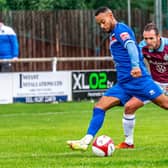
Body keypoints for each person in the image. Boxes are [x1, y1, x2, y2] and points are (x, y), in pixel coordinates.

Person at [66, 7, 168, 151]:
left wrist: (135, 66)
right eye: (99, 24)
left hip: (139, 82)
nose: (102, 26)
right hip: (124, 85)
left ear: (110, 15)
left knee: (165, 105)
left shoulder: (121, 30)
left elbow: (131, 46)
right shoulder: (113, 34)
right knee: (99, 107)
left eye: (103, 22)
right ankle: (86, 140)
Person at [116, 22, 168, 149]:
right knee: (129, 107)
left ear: (159, 37)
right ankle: (128, 143)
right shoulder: (142, 47)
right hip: (153, 84)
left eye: (151, 38)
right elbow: (133, 58)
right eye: (145, 38)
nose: (148, 41)